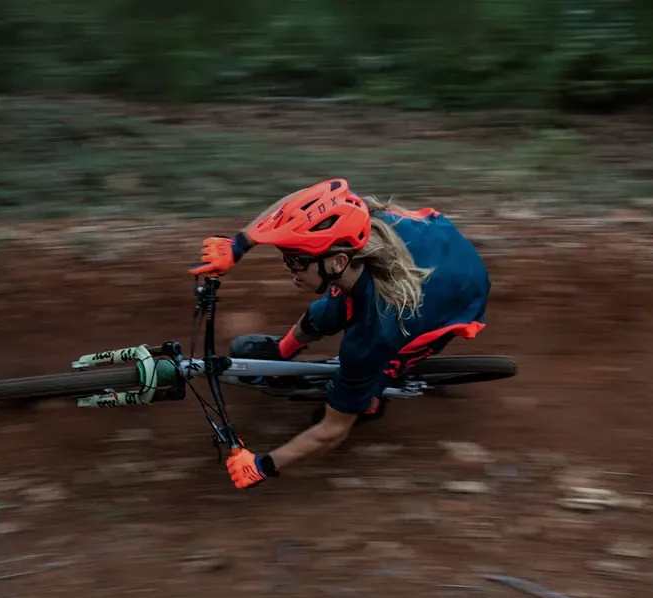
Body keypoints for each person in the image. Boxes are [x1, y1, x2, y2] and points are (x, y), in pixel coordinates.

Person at [187, 178, 490, 490]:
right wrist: (238, 245)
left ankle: (371, 402)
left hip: (459, 297)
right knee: (326, 312)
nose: (289, 269)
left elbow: (332, 431)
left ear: (338, 262)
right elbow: (298, 202)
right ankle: (282, 351)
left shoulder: (375, 332)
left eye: (296, 261)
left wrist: (262, 466)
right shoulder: (349, 225)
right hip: (437, 243)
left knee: (373, 372)